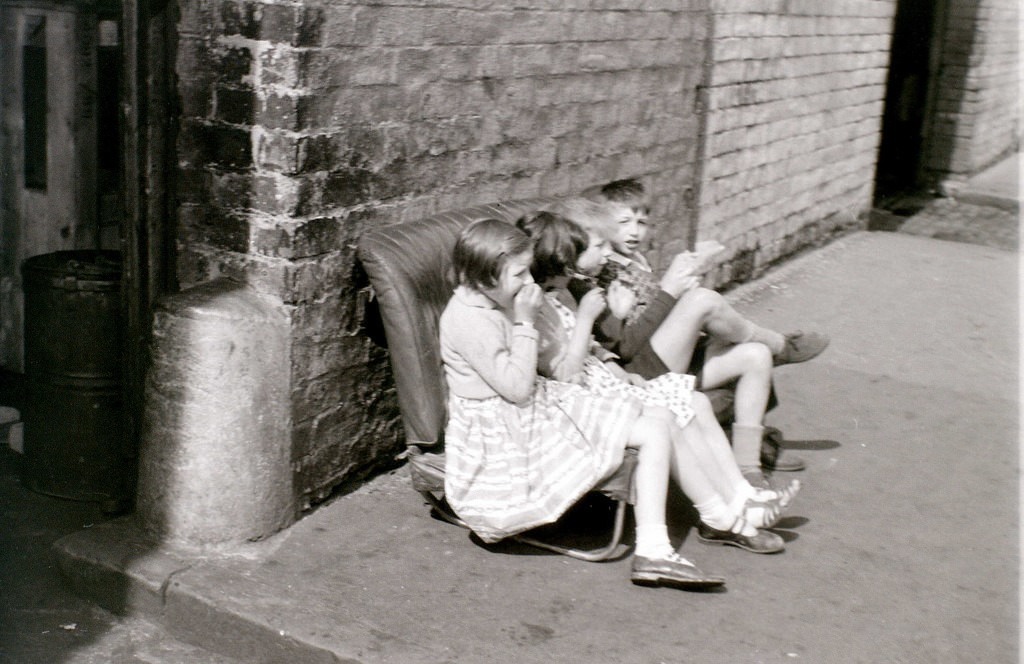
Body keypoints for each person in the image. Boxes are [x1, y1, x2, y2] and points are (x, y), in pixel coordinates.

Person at [440, 220, 777, 591]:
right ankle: (657, 549)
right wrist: (524, 322)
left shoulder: (495, 298)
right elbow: (517, 388)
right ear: (486, 278)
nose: (530, 283)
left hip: (535, 408)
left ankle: (720, 518)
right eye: (520, 273)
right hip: (507, 435)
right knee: (652, 430)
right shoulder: (468, 320)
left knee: (663, 412)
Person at [514, 209, 798, 531]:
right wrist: (610, 316)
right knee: (688, 372)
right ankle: (723, 512)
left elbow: (599, 347)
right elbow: (596, 353)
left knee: (701, 399)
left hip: (611, 376)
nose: (610, 253)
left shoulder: (573, 288)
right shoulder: (561, 295)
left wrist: (611, 362)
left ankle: (745, 495)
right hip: (591, 393)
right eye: (598, 246)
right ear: (562, 260)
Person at [571, 183, 829, 486]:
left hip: (659, 356)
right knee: (703, 302)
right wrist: (670, 292)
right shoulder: (600, 274)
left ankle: (749, 465)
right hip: (638, 371)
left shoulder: (633, 262)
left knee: (753, 355)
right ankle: (778, 345)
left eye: (641, 223)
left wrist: (677, 299)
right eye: (623, 222)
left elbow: (652, 314)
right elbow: (623, 347)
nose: (634, 232)